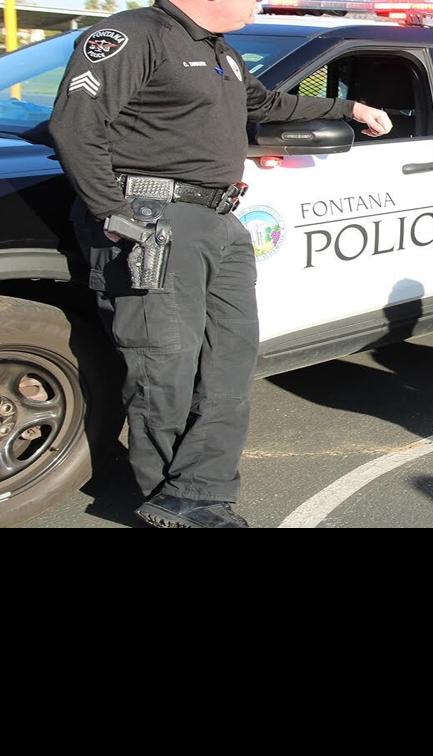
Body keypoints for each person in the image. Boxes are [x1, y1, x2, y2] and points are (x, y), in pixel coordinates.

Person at [50, 0, 393, 528]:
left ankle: (199, 489)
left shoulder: (218, 51)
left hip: (219, 221)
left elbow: (267, 103)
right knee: (164, 363)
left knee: (229, 359)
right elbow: (76, 125)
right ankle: (166, 495)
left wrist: (348, 109)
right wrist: (113, 215)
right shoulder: (134, 33)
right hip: (154, 216)